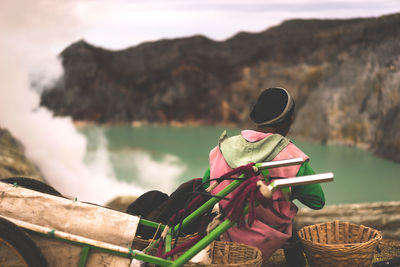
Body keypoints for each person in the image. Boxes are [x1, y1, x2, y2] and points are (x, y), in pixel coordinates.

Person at [202, 87, 325, 264]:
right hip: (272, 234)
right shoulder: (292, 157)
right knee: (293, 230)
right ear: (288, 121)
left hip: (229, 230)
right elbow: (317, 201)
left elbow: (208, 185)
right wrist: (286, 190)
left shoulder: (224, 148)